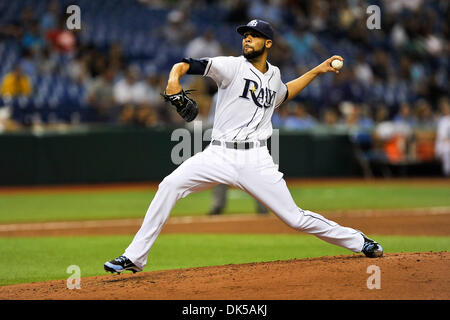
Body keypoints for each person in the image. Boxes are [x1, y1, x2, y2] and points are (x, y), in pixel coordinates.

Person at [104, 19, 383, 274]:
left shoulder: (274, 75)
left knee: (295, 219)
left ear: (268, 43)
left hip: (256, 159)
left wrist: (318, 70)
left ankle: (359, 241)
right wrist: (173, 80)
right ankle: (135, 257)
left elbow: (283, 93)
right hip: (218, 153)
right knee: (169, 185)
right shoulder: (231, 66)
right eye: (245, 35)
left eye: (255, 36)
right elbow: (187, 64)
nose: (247, 39)